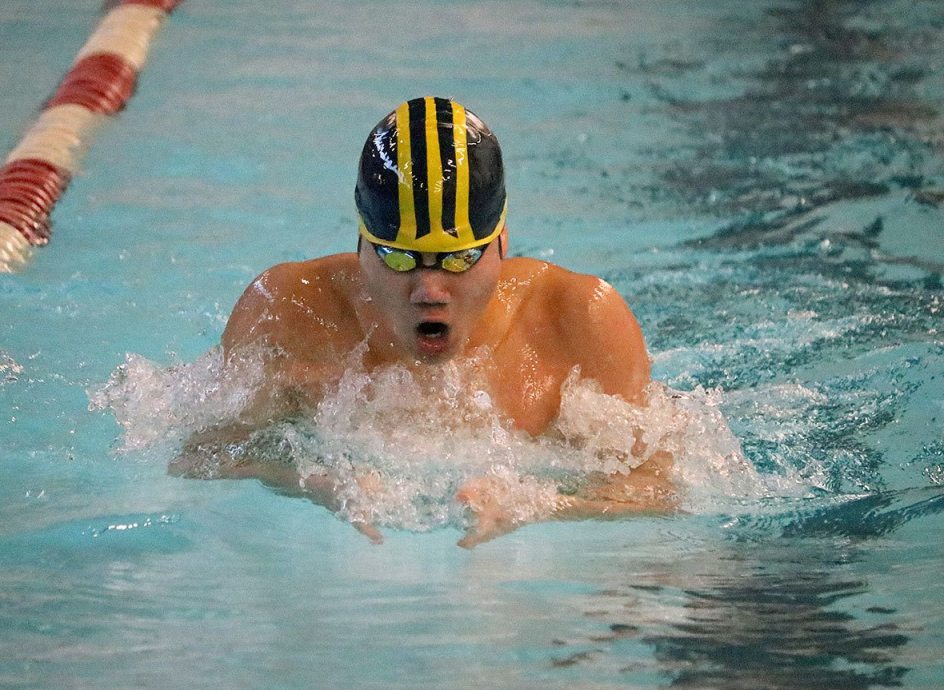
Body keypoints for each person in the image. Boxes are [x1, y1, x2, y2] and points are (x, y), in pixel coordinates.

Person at [172, 96, 676, 546]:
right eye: (398, 257)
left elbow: (659, 488)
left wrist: (539, 505)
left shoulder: (580, 320)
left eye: (457, 259)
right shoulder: (287, 312)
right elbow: (197, 458)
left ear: (501, 242)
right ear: (362, 244)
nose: (429, 292)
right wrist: (313, 482)